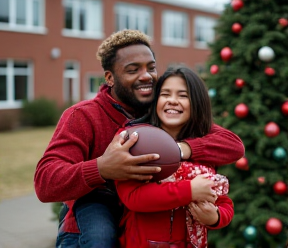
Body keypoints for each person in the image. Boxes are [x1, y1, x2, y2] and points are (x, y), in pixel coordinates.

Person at [34, 30, 244, 248]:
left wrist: (178, 149)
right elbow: (46, 182)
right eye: (133, 70)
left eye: (151, 68)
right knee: (101, 239)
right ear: (110, 78)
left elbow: (231, 144)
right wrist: (102, 168)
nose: (146, 76)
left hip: (147, 223)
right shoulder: (83, 116)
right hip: (94, 214)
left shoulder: (162, 110)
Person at [115, 64, 236, 248]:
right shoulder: (136, 139)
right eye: (165, 94)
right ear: (155, 101)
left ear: (197, 103)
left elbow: (223, 201)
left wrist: (215, 217)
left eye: (183, 96)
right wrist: (189, 191)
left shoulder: (203, 148)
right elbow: (133, 197)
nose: (172, 101)